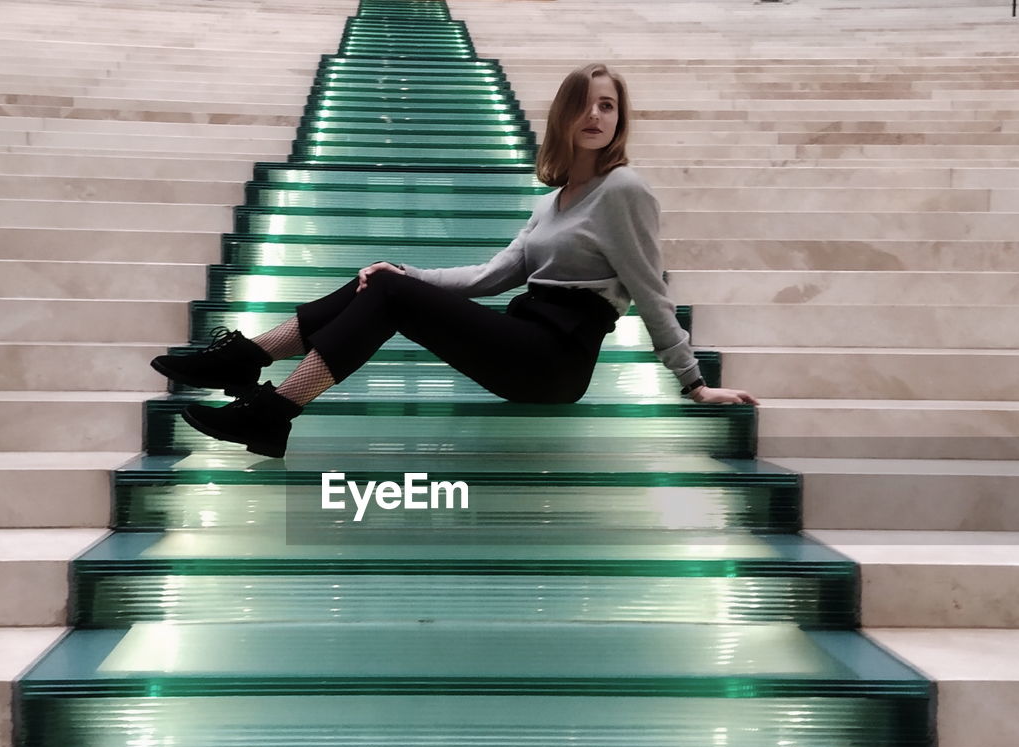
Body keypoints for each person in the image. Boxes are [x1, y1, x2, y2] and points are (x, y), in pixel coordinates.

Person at [152, 62, 758, 458]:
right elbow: (489, 277)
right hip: (520, 342)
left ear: (619, 119)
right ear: (563, 116)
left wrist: (695, 384)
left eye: (608, 106)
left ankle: (266, 397)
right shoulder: (552, 203)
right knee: (384, 283)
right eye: (585, 104)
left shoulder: (624, 191)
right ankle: (249, 368)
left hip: (554, 361)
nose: (596, 116)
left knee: (389, 292)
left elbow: (650, 289)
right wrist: (405, 272)